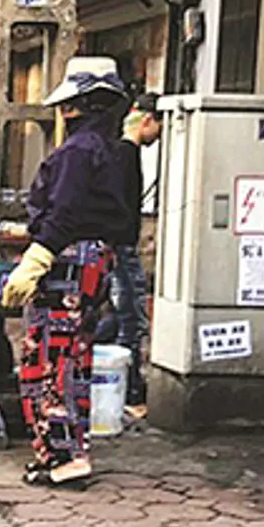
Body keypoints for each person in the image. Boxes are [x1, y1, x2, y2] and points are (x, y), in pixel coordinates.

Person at [0, 57, 132, 487]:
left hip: (67, 265)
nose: (63, 112)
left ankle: (63, 455)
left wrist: (36, 257)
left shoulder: (78, 152)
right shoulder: (115, 152)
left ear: (79, 106)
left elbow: (66, 213)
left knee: (49, 362)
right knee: (74, 359)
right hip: (94, 264)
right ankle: (67, 452)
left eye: (68, 105)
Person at [112, 92, 162, 410]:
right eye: (159, 125)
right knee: (131, 317)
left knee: (119, 314)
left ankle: (118, 378)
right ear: (146, 120)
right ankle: (127, 386)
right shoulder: (124, 155)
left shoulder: (119, 153)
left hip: (117, 246)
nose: (159, 135)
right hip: (120, 247)